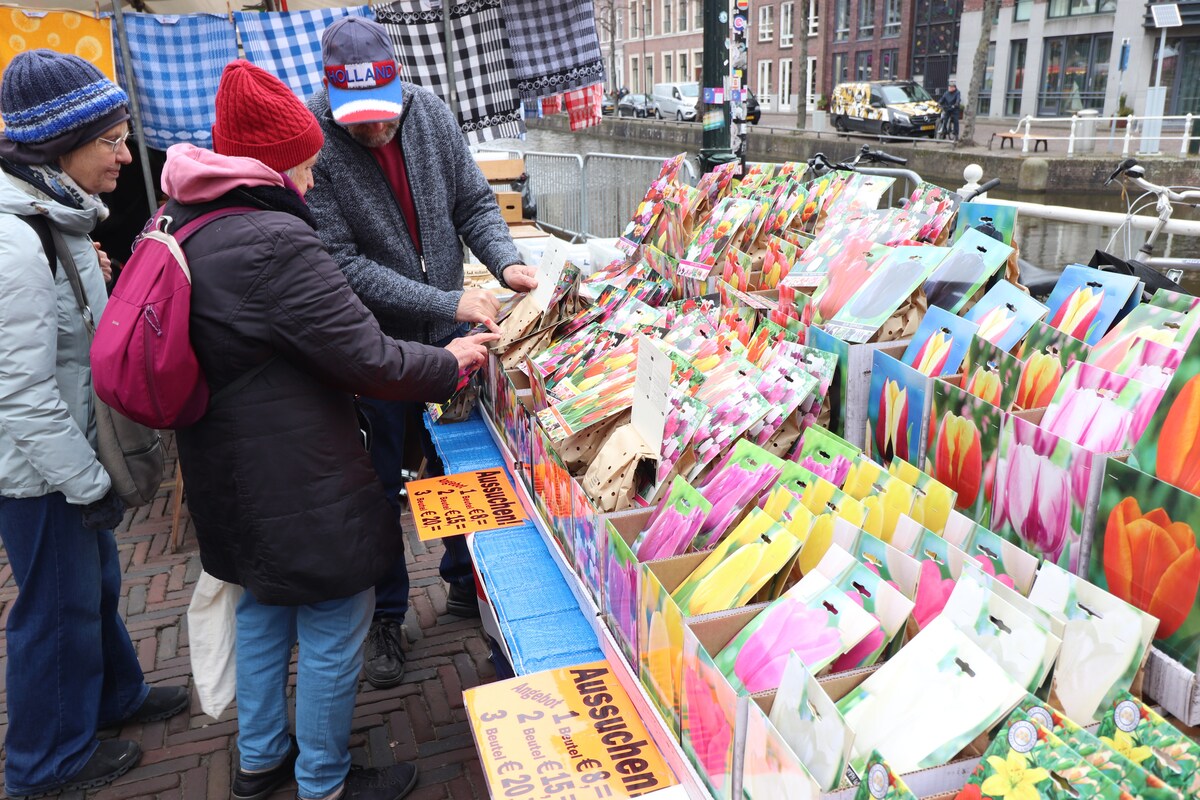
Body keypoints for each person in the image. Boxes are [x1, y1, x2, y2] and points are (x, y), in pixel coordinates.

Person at [164, 60, 494, 800]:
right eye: (305, 168)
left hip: (227, 462)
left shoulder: (187, 214)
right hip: (294, 471)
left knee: (260, 602)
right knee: (335, 614)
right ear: (272, 162)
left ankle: (258, 759)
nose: (311, 184)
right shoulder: (275, 241)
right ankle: (324, 780)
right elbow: (366, 355)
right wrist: (449, 361)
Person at [304, 17, 538, 689]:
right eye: (359, 123)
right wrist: (447, 302)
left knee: (458, 464)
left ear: (399, 86)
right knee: (378, 484)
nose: (373, 131)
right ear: (331, 99)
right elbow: (343, 266)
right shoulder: (315, 140)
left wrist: (506, 261)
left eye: (382, 117)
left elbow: (473, 205)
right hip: (373, 345)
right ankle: (386, 617)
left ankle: (465, 579)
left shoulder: (431, 114)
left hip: (446, 339)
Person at [0, 50, 190, 799]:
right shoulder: (16, 241)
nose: (124, 155)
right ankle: (43, 766)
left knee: (97, 584)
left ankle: (113, 698)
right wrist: (83, 483)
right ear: (59, 144)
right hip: (39, 470)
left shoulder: (54, 214)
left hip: (64, 454)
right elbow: (18, 392)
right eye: (110, 140)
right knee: (55, 610)